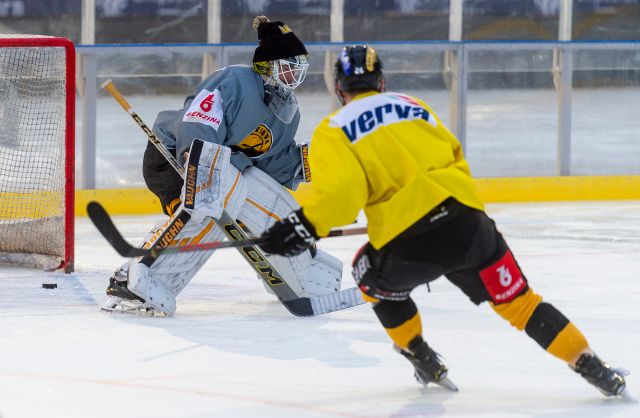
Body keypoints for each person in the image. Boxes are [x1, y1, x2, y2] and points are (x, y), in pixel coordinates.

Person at [257, 45, 627, 396]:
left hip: (410, 244)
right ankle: (590, 364)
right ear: (381, 83)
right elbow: (454, 155)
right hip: (469, 225)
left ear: (338, 89)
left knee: (367, 275)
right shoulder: (415, 107)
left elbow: (341, 197)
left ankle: (421, 357)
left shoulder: (334, 129)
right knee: (521, 303)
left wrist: (302, 226)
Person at [102, 16, 343, 316]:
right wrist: (201, 167)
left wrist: (319, 161)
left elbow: (270, 161)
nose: (296, 72)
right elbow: (198, 121)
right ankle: (138, 278)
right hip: (174, 154)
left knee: (267, 203)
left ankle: (302, 274)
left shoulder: (287, 113)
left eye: (299, 65)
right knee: (215, 199)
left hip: (225, 169)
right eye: (290, 63)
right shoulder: (236, 81)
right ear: (268, 63)